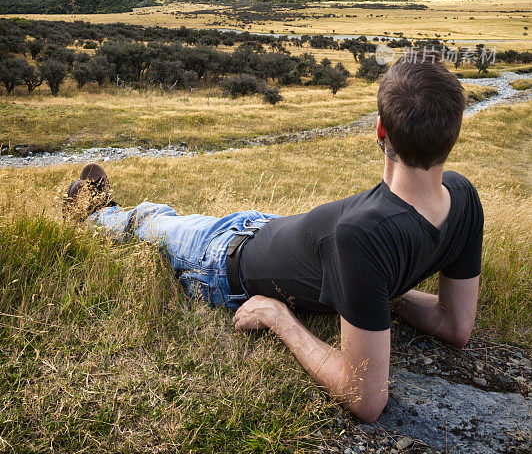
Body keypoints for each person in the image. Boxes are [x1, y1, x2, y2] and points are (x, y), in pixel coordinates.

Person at [63, 57, 483, 423]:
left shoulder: (362, 237)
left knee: (154, 220)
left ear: (380, 131)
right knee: (174, 220)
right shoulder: (463, 196)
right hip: (266, 229)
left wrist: (280, 320)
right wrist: (382, 295)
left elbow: (366, 398)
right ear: (453, 133)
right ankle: (109, 212)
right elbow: (455, 323)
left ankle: (99, 215)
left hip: (223, 262)